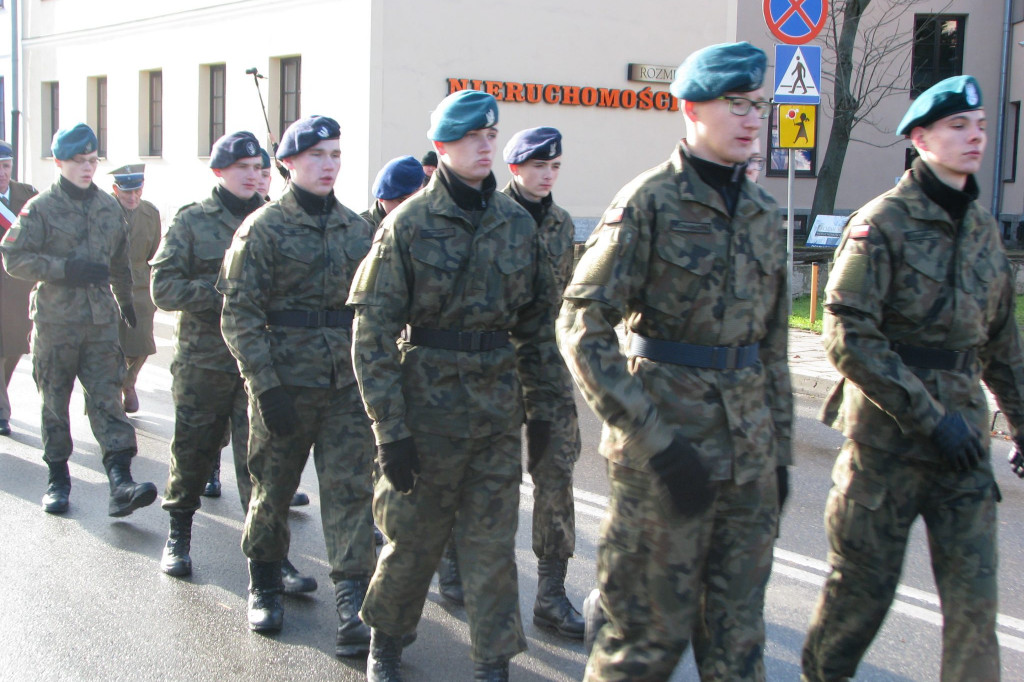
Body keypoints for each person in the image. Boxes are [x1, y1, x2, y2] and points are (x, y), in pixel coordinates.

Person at [557, 43, 792, 682]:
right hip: (666, 462)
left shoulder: (768, 216)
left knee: (739, 645)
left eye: (757, 105)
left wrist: (781, 456)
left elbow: (772, 348)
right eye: (734, 103)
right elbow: (581, 324)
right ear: (690, 108)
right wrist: (654, 439)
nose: (751, 118)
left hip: (749, 462)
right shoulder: (649, 203)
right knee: (642, 645)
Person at [801, 75, 1024, 682]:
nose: (974, 136)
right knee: (858, 600)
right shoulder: (883, 223)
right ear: (921, 138)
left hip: (964, 452)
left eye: (979, 126)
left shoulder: (983, 230)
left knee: (976, 606)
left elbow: (1003, 345)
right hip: (885, 445)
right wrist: (931, 420)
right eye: (958, 126)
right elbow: (847, 335)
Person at [349, 89, 563, 682]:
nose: (485, 145)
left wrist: (544, 414)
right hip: (426, 413)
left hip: (496, 412)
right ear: (442, 147)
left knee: (493, 547)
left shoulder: (517, 225)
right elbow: (372, 336)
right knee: (412, 540)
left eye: (491, 136)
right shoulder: (408, 225)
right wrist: (390, 432)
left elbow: (538, 330)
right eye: (472, 137)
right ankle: (386, 642)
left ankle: (492, 661)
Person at [218, 115, 377, 654]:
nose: (329, 164)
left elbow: (374, 313)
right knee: (273, 491)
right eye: (317, 156)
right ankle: (263, 584)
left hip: (345, 387)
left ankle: (352, 604)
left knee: (350, 492)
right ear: (287, 163)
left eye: (335, 154)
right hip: (284, 384)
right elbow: (239, 315)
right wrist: (265, 387)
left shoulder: (359, 230)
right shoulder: (262, 229)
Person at [151, 131, 316, 597]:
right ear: (219, 172)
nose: (252, 176)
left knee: (264, 469)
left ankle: (272, 560)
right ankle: (178, 537)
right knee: (192, 453)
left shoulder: (278, 221)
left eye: (258, 168)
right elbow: (163, 289)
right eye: (241, 167)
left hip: (260, 367)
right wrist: (224, 296)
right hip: (205, 363)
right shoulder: (192, 221)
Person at [0, 123, 158, 517]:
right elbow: (13, 257)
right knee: (55, 402)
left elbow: (121, 263)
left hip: (101, 324)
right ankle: (57, 478)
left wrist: (127, 305)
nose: (87, 168)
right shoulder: (39, 208)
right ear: (59, 162)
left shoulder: (108, 207)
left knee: (107, 398)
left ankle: (121, 481)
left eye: (92, 160)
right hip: (55, 324)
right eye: (78, 161)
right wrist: (63, 268)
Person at [500, 126, 584, 639]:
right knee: (485, 476)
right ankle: (456, 564)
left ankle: (551, 593)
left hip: (547, 368)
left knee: (556, 475)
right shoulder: (491, 219)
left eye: (554, 167)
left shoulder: (561, 223)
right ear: (516, 169)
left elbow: (564, 296)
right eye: (538, 167)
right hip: (495, 366)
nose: (548, 175)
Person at [109, 164, 161, 414]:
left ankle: (128, 382)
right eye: (126, 192)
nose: (132, 197)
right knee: (108, 345)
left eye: (137, 191)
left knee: (141, 344)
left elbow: (153, 251)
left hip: (139, 283)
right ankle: (107, 395)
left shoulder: (150, 213)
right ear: (115, 189)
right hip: (107, 284)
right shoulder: (103, 212)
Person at [0, 139, 38, 436]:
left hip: (19, 288)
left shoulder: (28, 195)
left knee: (15, 347)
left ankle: (2, 394)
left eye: (5, 166)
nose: (1, 173)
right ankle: (2, 412)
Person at [361, 156, 424, 230]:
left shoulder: (428, 222)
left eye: (416, 200)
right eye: (402, 202)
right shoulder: (360, 230)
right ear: (381, 199)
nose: (410, 208)